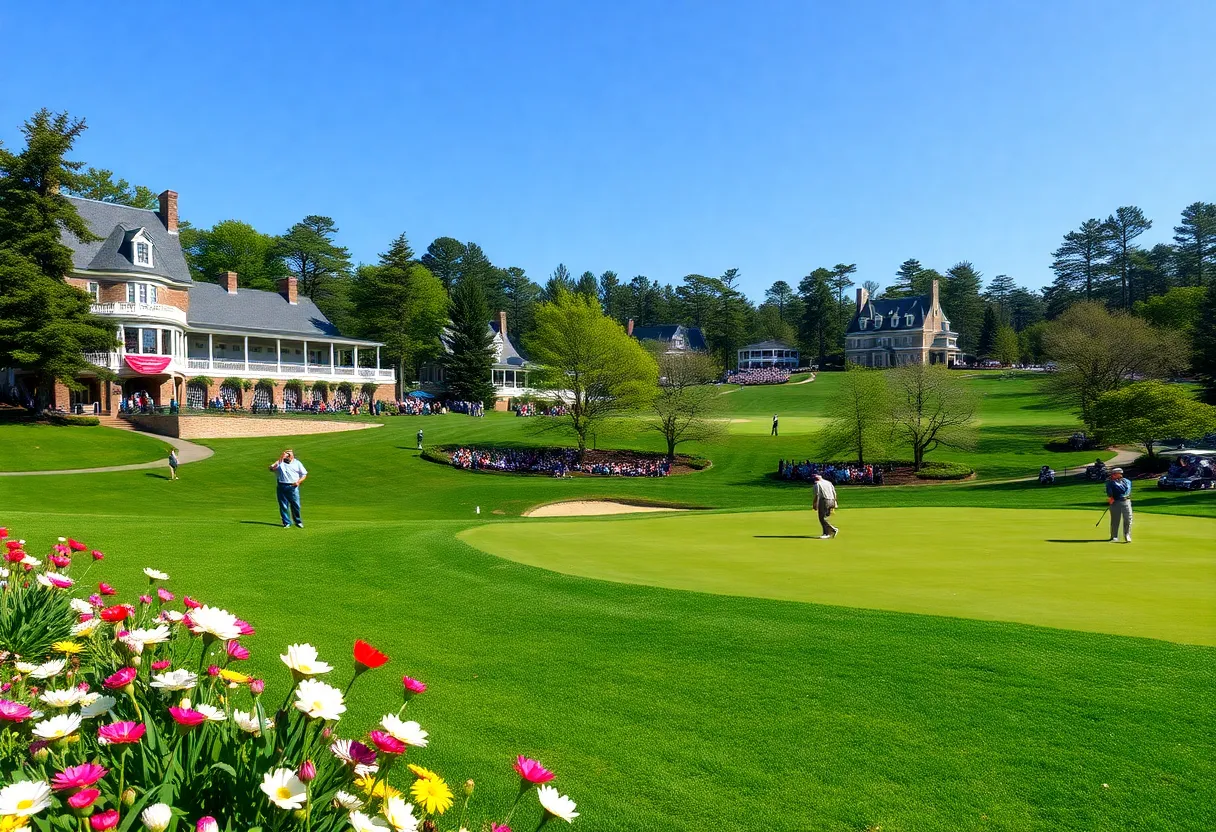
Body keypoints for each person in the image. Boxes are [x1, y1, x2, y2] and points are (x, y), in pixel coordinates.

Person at [269, 449, 308, 528]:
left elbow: (304, 474)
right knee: (283, 505)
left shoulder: (297, 463)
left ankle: (298, 521)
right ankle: (286, 522)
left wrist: (298, 482)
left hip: (293, 486)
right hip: (282, 485)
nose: (287, 457)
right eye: (286, 455)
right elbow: (271, 468)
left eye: (289, 455)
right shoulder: (280, 462)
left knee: (296, 505)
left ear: (292, 456)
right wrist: (281, 458)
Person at [1105, 467, 1132, 543]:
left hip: (1126, 502)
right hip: (1115, 502)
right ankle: (1114, 536)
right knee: (1115, 520)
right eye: (1112, 474)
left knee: (1128, 518)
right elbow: (1109, 493)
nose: (1112, 475)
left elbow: (1126, 491)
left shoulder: (1127, 481)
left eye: (1114, 474)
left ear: (1119, 474)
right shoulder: (1110, 483)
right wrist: (1111, 498)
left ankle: (1127, 535)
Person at [811, 473, 839, 539]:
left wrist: (815, 504)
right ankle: (826, 533)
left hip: (824, 501)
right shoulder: (828, 483)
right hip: (832, 500)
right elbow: (834, 493)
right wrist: (835, 502)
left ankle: (832, 530)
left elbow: (817, 495)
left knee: (822, 518)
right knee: (825, 517)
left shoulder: (817, 484)